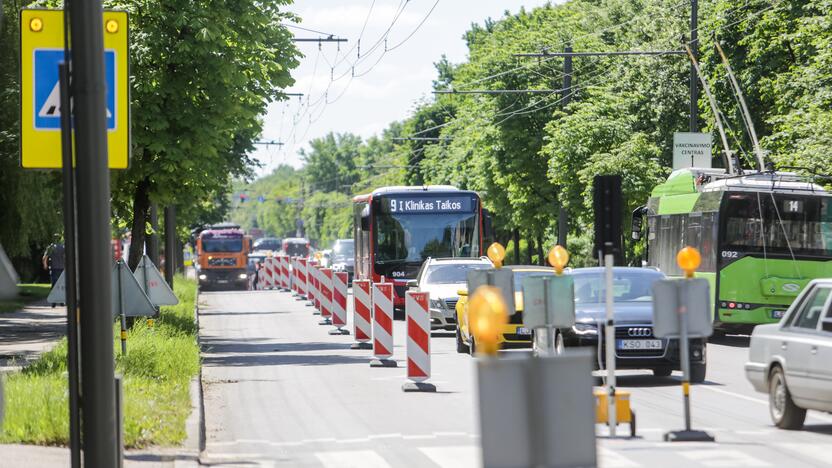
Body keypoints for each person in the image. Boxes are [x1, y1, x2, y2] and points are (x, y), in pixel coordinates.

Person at [43, 237, 66, 308]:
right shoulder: (63, 247)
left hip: (54, 268)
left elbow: (45, 257)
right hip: (62, 268)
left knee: (54, 284)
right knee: (62, 285)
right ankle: (62, 301)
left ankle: (53, 302)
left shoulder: (50, 247)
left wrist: (45, 265)